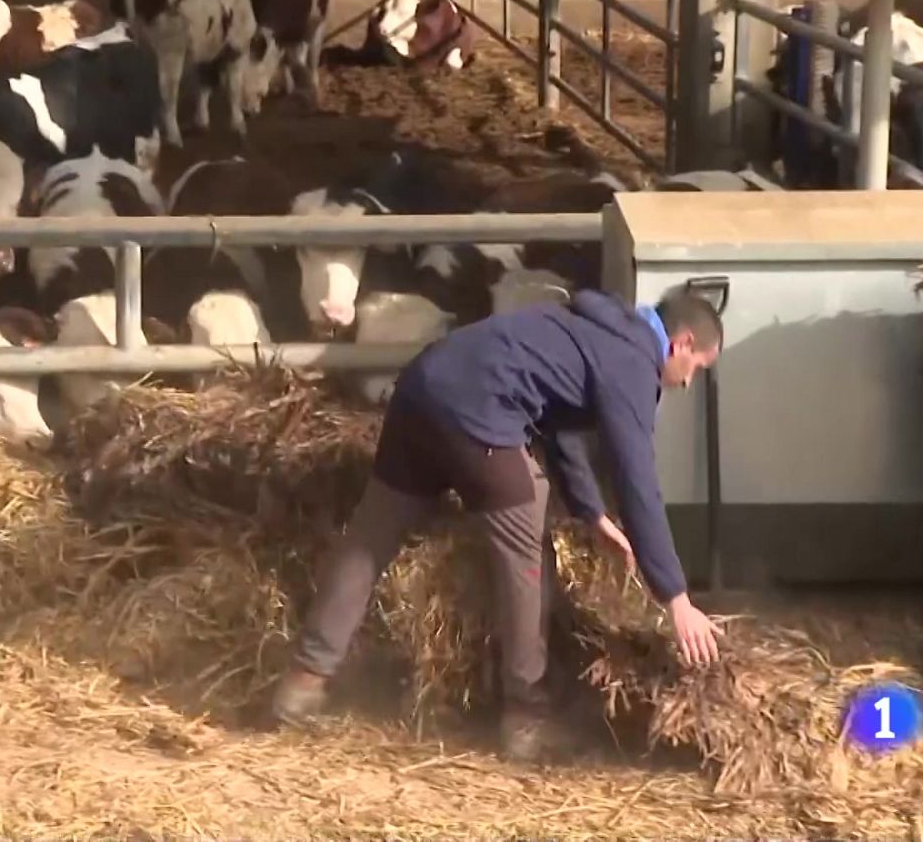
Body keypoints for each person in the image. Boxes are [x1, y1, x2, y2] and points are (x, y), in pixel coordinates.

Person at [269, 286, 726, 761]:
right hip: (478, 414)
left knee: (371, 537)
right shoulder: (633, 361)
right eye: (697, 367)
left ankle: (304, 681)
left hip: (420, 390)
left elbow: (559, 428)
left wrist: (591, 513)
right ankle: (526, 720)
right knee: (527, 552)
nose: (688, 382)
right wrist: (676, 596)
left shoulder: (594, 329)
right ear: (682, 343)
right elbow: (638, 480)